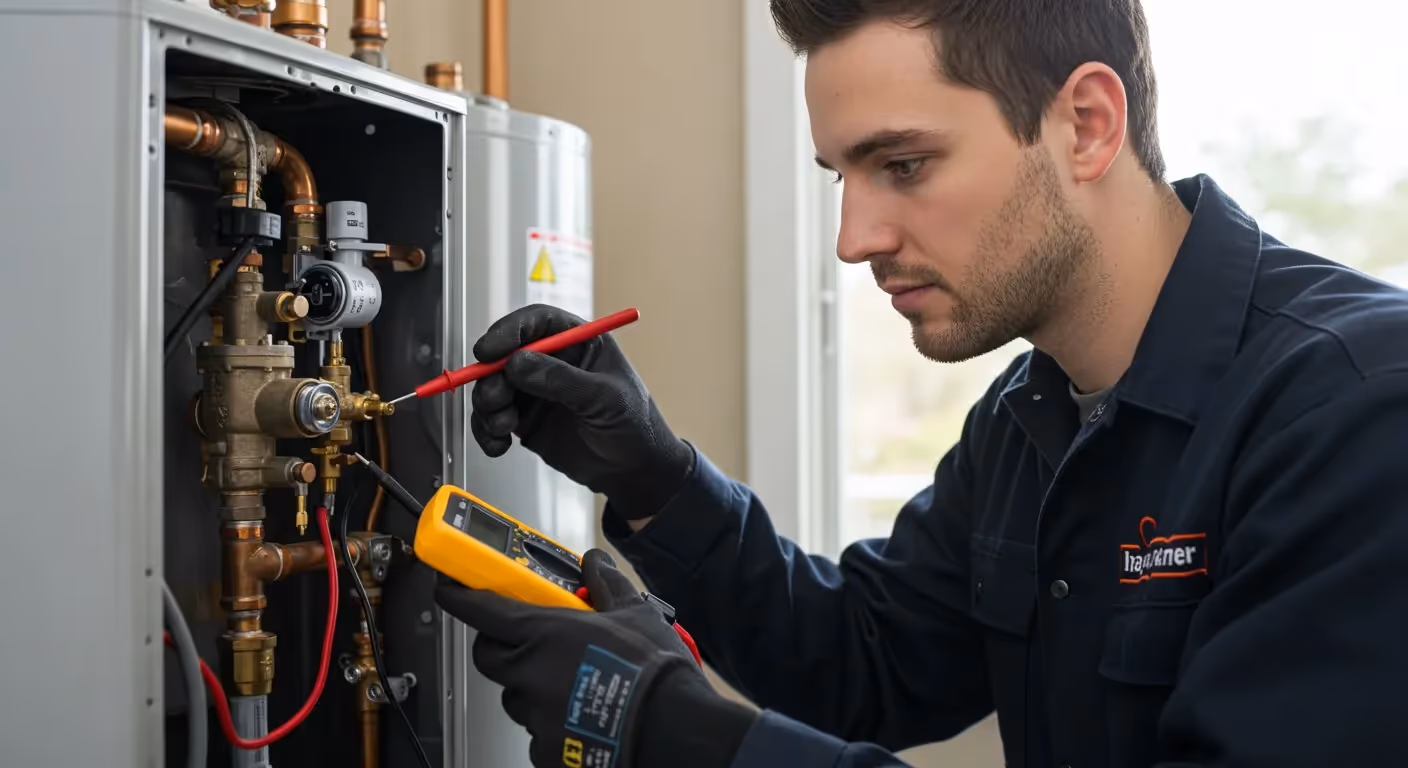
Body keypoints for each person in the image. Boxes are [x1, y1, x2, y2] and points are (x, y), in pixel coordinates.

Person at [433, 0, 1408, 766]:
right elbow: (867, 662)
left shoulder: (1359, 412)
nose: (855, 239)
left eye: (903, 163)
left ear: (1085, 125)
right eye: (841, 178)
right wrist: (657, 480)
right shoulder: (1032, 414)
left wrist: (680, 732)